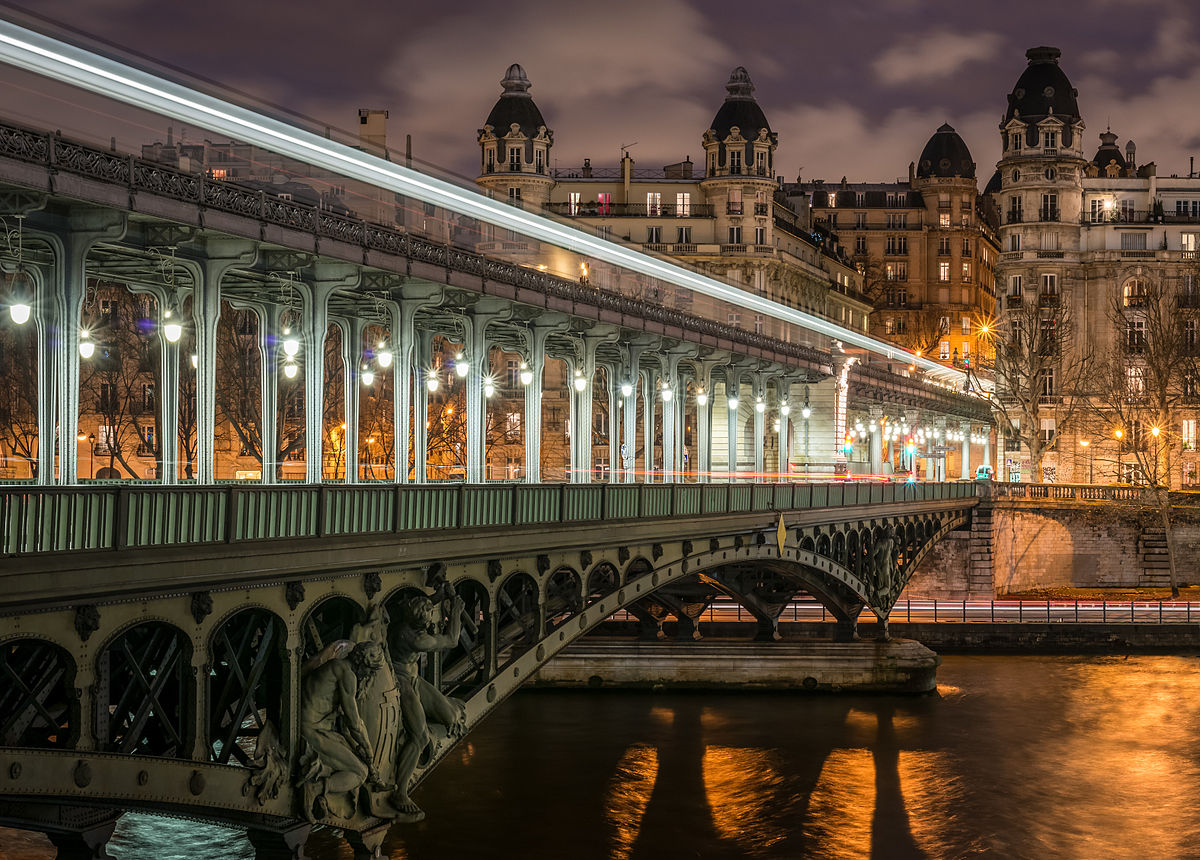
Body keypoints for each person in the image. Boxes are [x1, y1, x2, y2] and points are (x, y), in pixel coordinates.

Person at [388, 592, 468, 817]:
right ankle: (400, 791)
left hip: (414, 678)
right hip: (400, 681)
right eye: (428, 616)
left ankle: (444, 704)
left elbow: (420, 606)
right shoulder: (414, 638)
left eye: (430, 613)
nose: (430, 620)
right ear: (417, 620)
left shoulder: (409, 622)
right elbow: (452, 640)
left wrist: (439, 594)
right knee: (420, 736)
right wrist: (455, 613)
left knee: (452, 718)